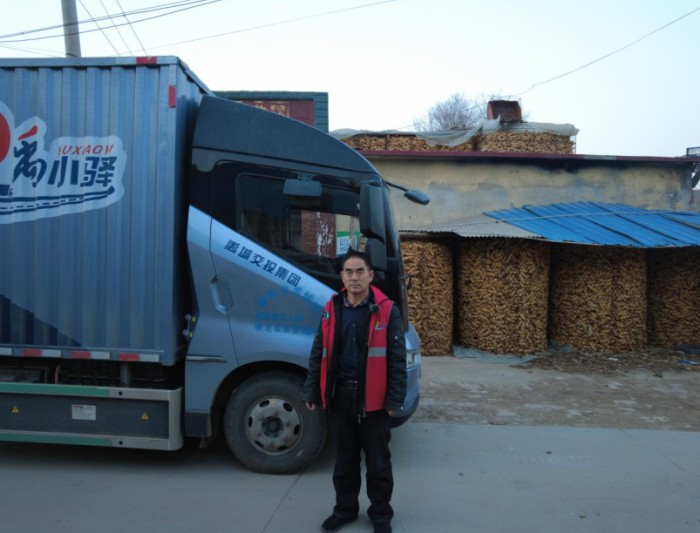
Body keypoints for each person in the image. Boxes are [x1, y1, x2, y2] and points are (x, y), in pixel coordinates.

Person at [304, 249, 407, 533]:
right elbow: (318, 352)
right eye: (349, 272)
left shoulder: (386, 310)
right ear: (342, 276)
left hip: (374, 401)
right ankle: (345, 510)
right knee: (344, 463)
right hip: (341, 399)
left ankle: (381, 514)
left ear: (370, 275)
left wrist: (395, 399)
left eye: (360, 271)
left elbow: (397, 359)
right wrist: (312, 390)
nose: (354, 277)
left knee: (378, 464)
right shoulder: (332, 307)